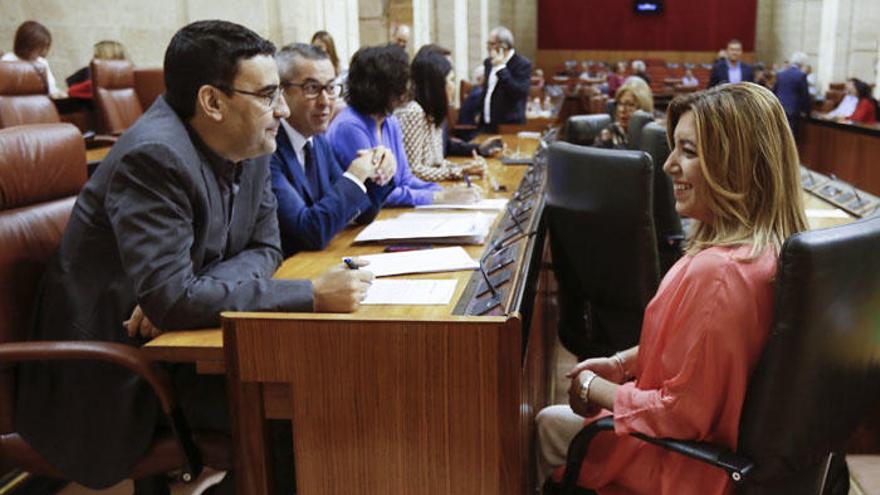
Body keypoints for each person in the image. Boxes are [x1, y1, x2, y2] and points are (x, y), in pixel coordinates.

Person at [15, 20, 373, 493]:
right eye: (268, 94)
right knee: (303, 407)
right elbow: (175, 297)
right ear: (212, 101)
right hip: (114, 373)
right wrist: (310, 294)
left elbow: (266, 249)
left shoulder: (255, 144)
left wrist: (185, 293)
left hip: (177, 347)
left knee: (321, 382)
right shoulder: (155, 157)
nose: (283, 109)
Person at [536, 82, 808, 494]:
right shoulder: (771, 250)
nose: (668, 166)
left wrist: (593, 386)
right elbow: (702, 355)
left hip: (684, 467)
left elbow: (678, 415)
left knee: (546, 425)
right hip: (724, 454)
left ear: (735, 165)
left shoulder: (719, 273)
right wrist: (622, 363)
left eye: (689, 151)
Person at [271, 43, 396, 257]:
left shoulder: (317, 141)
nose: (325, 101)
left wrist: (380, 171)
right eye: (312, 89)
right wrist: (355, 176)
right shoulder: (268, 149)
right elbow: (309, 231)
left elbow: (361, 213)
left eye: (330, 88)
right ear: (282, 92)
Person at [327, 44, 480, 207]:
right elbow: (378, 194)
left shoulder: (389, 120)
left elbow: (405, 178)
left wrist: (442, 190)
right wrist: (437, 197)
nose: (408, 87)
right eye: (402, 80)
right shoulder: (350, 126)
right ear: (384, 87)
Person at [394, 47, 487, 182]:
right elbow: (413, 170)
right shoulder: (414, 112)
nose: (454, 86)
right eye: (451, 80)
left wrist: (466, 167)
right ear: (436, 84)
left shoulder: (433, 113)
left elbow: (437, 162)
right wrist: (458, 171)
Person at [480, 26, 532, 131]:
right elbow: (488, 90)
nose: (488, 47)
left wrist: (501, 68)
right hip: (487, 122)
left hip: (510, 124)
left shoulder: (522, 64)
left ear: (503, 46)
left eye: (492, 44)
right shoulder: (488, 62)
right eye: (488, 43)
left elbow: (518, 92)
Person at [1, 20, 65, 97]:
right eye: (41, 48)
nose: (44, 52)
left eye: (46, 47)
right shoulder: (6, 62)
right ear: (27, 45)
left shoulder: (41, 63)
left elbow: (51, 88)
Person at [594, 76, 654, 149]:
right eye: (620, 103)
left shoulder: (653, 134)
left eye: (630, 105)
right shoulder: (609, 133)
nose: (622, 110)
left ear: (643, 108)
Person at [773, 52, 811, 134]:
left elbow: (774, 91)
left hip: (778, 108)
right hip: (792, 111)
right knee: (790, 137)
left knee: (778, 134)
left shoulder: (781, 74)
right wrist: (807, 112)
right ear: (802, 63)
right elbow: (804, 95)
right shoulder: (801, 75)